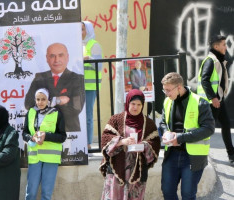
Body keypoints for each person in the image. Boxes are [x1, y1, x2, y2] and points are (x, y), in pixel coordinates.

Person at [159, 72, 215, 200]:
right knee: (167, 191)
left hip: (192, 157)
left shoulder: (200, 102)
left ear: (179, 87)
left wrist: (180, 137)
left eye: (168, 90)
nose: (166, 93)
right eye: (164, 90)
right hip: (172, 154)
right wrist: (166, 131)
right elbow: (163, 122)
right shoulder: (167, 101)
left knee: (188, 194)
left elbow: (208, 129)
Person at [99, 89, 160, 200]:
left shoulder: (149, 124)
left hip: (138, 172)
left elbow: (155, 143)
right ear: (127, 103)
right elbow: (105, 139)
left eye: (139, 104)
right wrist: (121, 141)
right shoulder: (115, 120)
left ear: (142, 105)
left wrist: (144, 146)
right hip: (116, 169)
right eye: (133, 104)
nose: (135, 107)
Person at [24, 43, 85, 132]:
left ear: (67, 57)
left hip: (68, 129)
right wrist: (56, 100)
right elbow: (28, 104)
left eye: (60, 55)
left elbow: (76, 108)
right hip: (43, 129)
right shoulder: (39, 78)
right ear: (47, 58)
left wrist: (43, 104)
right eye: (52, 56)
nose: (56, 60)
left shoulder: (77, 79)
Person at [23, 88, 66, 200]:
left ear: (48, 100)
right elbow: (24, 133)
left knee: (46, 194)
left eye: (43, 99)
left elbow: (62, 136)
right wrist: (31, 138)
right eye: (38, 99)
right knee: (30, 193)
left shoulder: (57, 114)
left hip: (50, 158)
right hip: (34, 157)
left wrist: (46, 136)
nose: (40, 102)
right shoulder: (30, 112)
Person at [197, 34, 234, 164]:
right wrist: (213, 98)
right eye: (223, 45)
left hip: (218, 100)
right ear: (216, 46)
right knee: (206, 129)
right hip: (210, 102)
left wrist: (218, 97)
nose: (225, 47)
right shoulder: (210, 61)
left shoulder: (218, 60)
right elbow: (205, 80)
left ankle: (231, 154)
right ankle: (199, 154)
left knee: (226, 124)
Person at [82, 21, 103, 149]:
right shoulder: (78, 45)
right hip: (77, 86)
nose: (81, 32)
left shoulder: (94, 45)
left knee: (88, 115)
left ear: (88, 31)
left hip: (90, 87)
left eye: (83, 29)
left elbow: (99, 66)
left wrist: (88, 59)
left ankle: (88, 143)